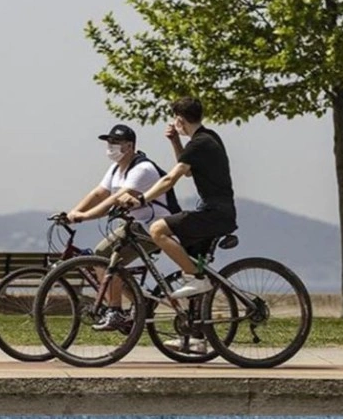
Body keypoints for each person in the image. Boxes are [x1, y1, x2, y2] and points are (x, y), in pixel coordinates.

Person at [119, 96, 237, 353]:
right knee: (193, 264)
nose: (174, 123)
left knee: (158, 229)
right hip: (218, 212)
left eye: (176, 120)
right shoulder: (208, 138)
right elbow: (190, 170)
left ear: (180, 120)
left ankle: (195, 278)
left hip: (214, 213)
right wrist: (175, 141)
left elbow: (171, 178)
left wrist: (141, 198)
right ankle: (197, 338)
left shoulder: (199, 143)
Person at [66, 124, 173, 331]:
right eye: (109, 142)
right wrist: (72, 212)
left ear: (130, 146)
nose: (110, 147)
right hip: (135, 226)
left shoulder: (142, 169)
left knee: (103, 255)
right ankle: (138, 304)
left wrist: (85, 216)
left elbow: (116, 198)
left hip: (155, 226)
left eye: (115, 143)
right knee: (109, 262)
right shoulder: (116, 168)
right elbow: (99, 193)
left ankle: (115, 311)